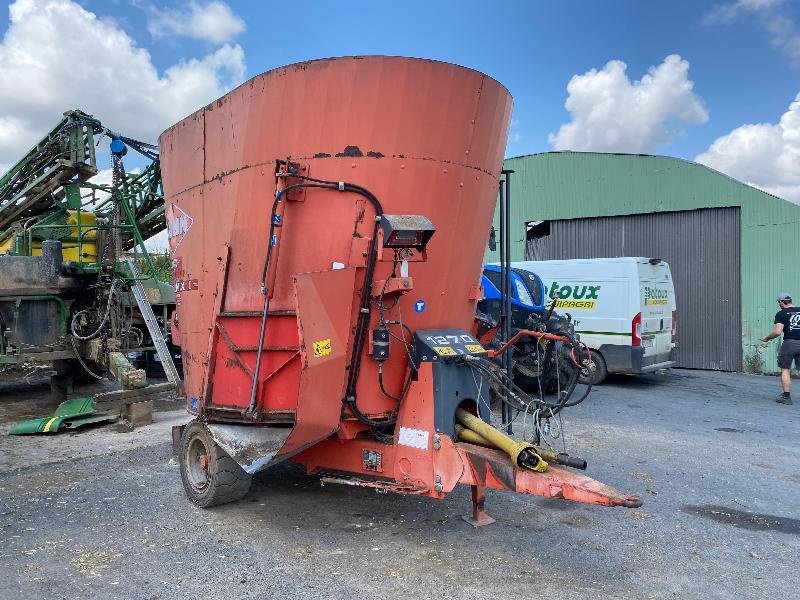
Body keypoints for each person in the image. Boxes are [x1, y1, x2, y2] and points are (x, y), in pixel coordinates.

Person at [761, 292, 800, 405]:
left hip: (790, 343)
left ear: (781, 302)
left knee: (785, 369)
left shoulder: (781, 313)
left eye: (778, 302)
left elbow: (778, 332)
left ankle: (786, 397)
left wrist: (767, 338)